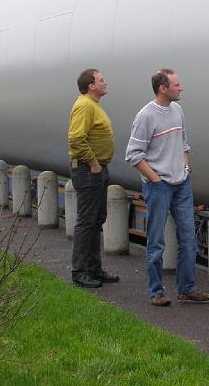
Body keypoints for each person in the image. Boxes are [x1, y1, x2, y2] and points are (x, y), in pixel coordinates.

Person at [125, 69, 209, 306]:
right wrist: (154, 179)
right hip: (159, 186)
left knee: (188, 239)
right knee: (156, 240)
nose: (181, 87)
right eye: (176, 84)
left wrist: (185, 169)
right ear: (163, 88)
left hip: (181, 183)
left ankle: (187, 288)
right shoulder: (146, 116)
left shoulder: (178, 111)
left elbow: (184, 143)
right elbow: (133, 154)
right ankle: (156, 291)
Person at [67, 68, 119, 288]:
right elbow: (76, 139)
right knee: (87, 222)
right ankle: (80, 272)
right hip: (89, 171)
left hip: (96, 170)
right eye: (101, 80)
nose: (105, 83)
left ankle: (94, 268)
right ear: (91, 86)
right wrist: (94, 163)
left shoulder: (93, 105)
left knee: (96, 221)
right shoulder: (85, 106)